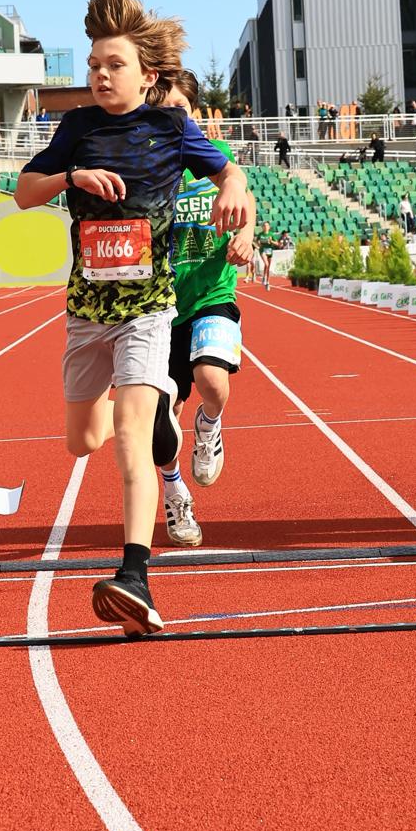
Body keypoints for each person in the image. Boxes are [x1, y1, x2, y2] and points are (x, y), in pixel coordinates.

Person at [14, 0, 248, 638]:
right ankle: (146, 421)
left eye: (113, 64)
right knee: (81, 440)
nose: (99, 74)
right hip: (86, 311)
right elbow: (23, 193)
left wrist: (233, 190)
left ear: (147, 75)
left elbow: (230, 173)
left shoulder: (171, 128)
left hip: (147, 309)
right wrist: (71, 178)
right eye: (93, 64)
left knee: (130, 438)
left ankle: (135, 576)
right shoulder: (76, 129)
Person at [157, 71, 256, 550]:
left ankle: (209, 425)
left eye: (181, 109)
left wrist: (246, 235)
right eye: (164, 111)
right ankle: (175, 493)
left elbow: (244, 196)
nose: (174, 118)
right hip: (159, 307)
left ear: (195, 114)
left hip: (213, 293)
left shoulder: (214, 159)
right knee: (160, 418)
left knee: (213, 381)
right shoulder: (149, 167)